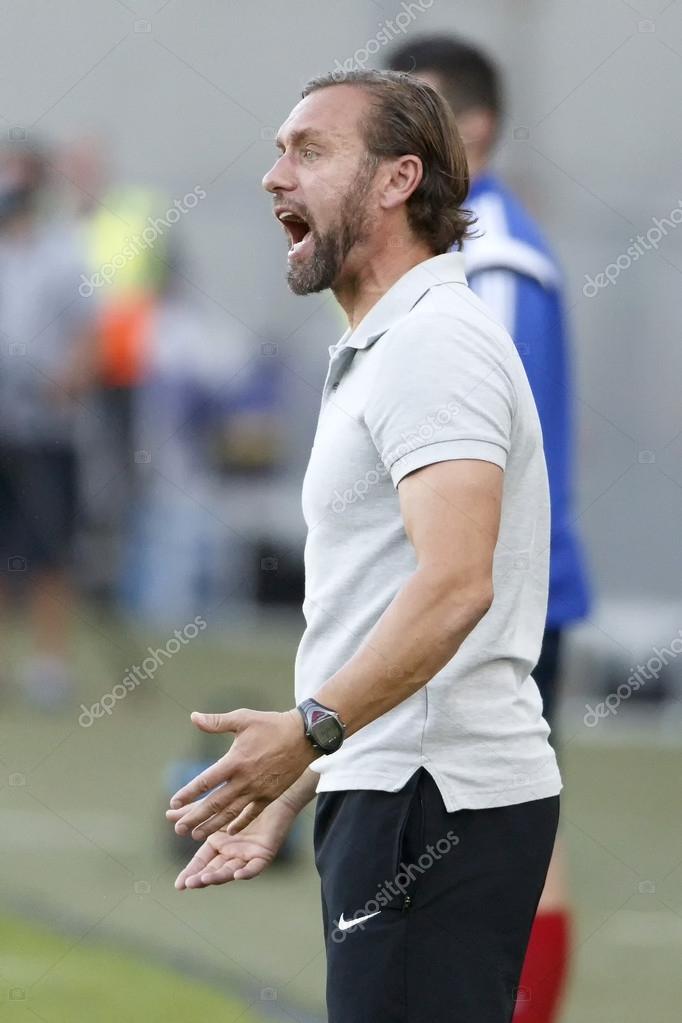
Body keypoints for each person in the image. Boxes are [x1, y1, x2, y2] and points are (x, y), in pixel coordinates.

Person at [166, 70, 561, 1023]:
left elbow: (456, 583)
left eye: (310, 150)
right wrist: (301, 782)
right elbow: (391, 598)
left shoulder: (434, 346)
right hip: (394, 788)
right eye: (277, 150)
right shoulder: (391, 345)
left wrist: (306, 732)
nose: (274, 176)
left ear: (397, 180)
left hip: (433, 803)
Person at [387, 36, 592, 1023]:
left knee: (510, 836)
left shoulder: (493, 264)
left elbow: (486, 450)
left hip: (500, 595)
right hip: (476, 585)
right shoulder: (447, 251)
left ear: (476, 130)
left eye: (415, 118)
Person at [0, 143, 96, 706]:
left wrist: (68, 382)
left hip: (45, 430)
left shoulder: (65, 253)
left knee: (48, 550)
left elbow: (90, 332)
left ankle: (48, 664)